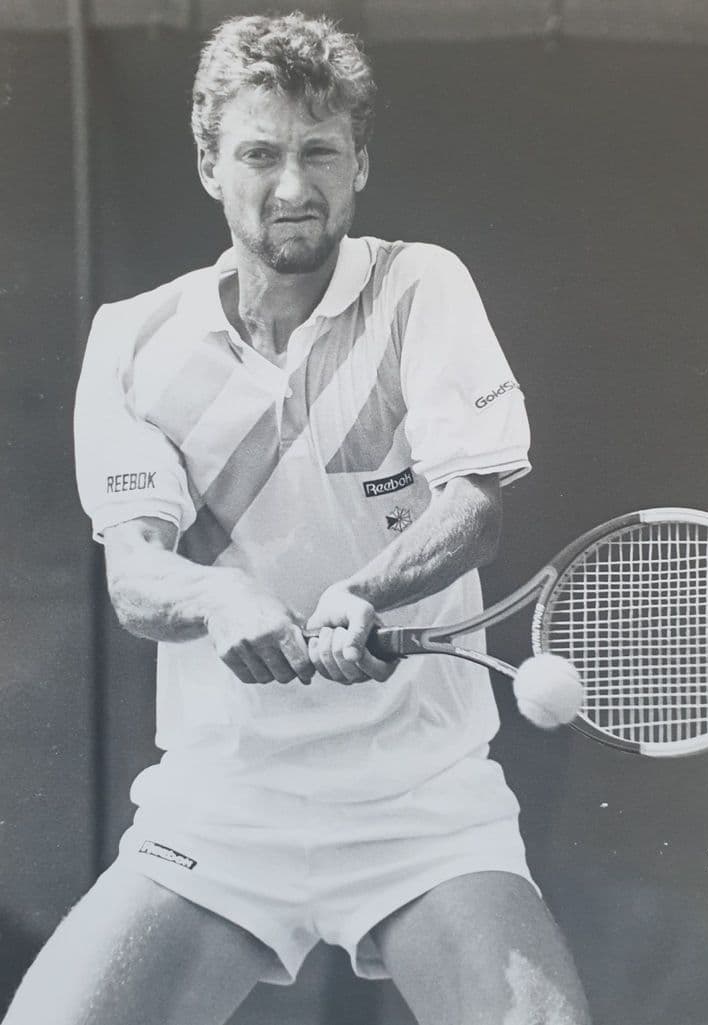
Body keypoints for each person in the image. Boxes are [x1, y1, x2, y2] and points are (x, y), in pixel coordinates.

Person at [4, 13, 590, 1025]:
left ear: (358, 162)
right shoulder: (132, 341)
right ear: (208, 163)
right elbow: (138, 574)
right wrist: (221, 594)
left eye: (319, 152)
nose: (290, 184)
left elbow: (472, 508)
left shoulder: (419, 287)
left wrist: (362, 592)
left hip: (420, 803)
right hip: (223, 802)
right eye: (259, 153)